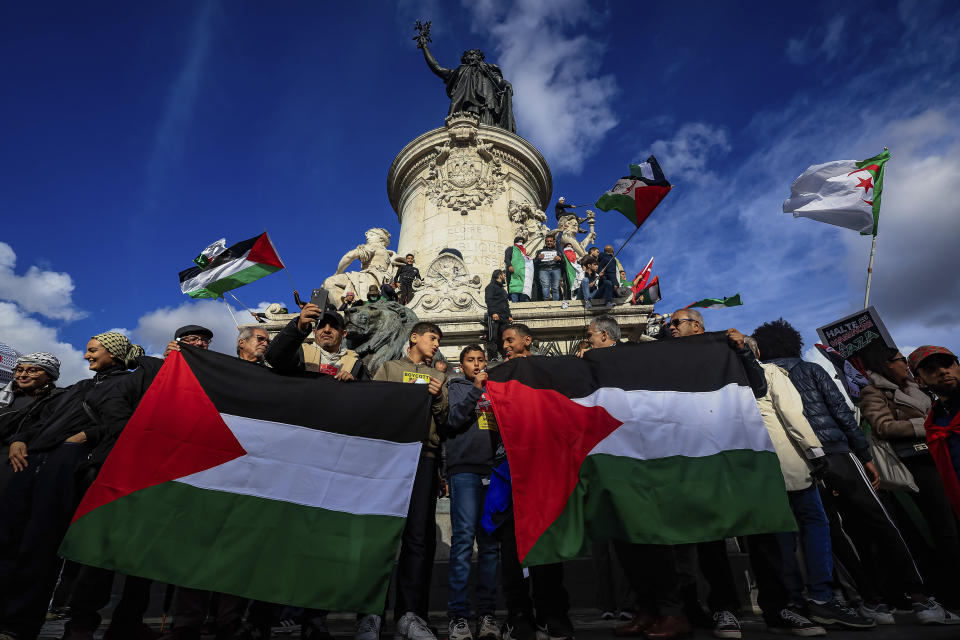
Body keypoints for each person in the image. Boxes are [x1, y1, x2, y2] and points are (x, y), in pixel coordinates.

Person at [753, 319, 958, 625]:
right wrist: (865, 455)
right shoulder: (811, 369)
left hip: (798, 459)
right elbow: (841, 413)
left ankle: (870, 600)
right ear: (792, 342)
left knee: (833, 533)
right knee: (881, 522)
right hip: (838, 452)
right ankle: (921, 599)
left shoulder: (761, 376)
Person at [670, 311, 825, 638]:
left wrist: (741, 350)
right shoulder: (666, 358)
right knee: (711, 538)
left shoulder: (726, 349)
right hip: (700, 457)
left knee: (762, 532)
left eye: (677, 322)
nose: (670, 328)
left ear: (696, 326)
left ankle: (778, 607)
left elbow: (757, 387)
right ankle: (724, 609)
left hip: (740, 451)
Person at [0, 332, 152, 640]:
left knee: (39, 546)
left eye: (93, 350)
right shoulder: (78, 387)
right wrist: (20, 439)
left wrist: (88, 436)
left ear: (114, 352)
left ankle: (18, 626)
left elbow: (129, 422)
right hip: (30, 463)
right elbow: (38, 419)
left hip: (66, 465)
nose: (86, 356)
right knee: (6, 539)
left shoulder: (129, 382)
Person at [742, 338, 873, 629]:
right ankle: (822, 598)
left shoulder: (728, 385)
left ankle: (793, 601)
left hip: (755, 471)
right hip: (791, 466)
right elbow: (792, 416)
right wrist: (816, 453)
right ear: (758, 353)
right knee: (815, 524)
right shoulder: (771, 373)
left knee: (781, 538)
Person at [861, 346, 960, 606]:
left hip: (941, 455)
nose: (903, 364)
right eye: (898, 360)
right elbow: (882, 426)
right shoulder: (874, 392)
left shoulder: (921, 390)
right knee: (943, 525)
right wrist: (927, 426)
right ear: (884, 364)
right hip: (917, 463)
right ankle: (952, 590)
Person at [373, 323, 449, 640]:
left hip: (425, 458)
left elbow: (444, 420)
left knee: (418, 538)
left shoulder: (439, 377)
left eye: (439, 341)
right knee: (380, 536)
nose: (435, 344)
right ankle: (372, 614)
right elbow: (372, 406)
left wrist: (438, 397)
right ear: (414, 338)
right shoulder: (388, 368)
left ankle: (410, 614)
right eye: (432, 338)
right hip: (390, 458)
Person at [443, 346, 501, 640]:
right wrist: (475, 391)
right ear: (461, 364)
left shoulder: (496, 389)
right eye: (471, 360)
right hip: (464, 471)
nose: (477, 364)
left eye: (481, 360)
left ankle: (487, 615)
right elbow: (452, 420)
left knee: (490, 546)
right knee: (464, 542)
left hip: (493, 472)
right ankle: (458, 616)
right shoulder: (455, 387)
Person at [911, 347, 960, 517]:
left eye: (947, 364)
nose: (942, 371)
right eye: (931, 369)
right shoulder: (934, 424)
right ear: (920, 381)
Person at [264, 304, 369, 381]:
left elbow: (367, 395)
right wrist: (299, 326)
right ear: (314, 332)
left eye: (334, 327)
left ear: (344, 333)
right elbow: (274, 358)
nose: (327, 330)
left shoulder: (356, 362)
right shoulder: (300, 353)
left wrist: (354, 383)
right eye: (322, 326)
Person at [485, 270, 512, 358]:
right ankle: (493, 357)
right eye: (503, 275)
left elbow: (505, 303)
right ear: (500, 276)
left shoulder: (502, 289)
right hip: (495, 316)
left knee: (505, 336)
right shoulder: (490, 287)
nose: (504, 277)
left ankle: (505, 355)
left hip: (504, 317)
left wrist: (509, 316)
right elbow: (489, 300)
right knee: (493, 337)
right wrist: (493, 313)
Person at [535, 234, 563, 302]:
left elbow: (564, 262)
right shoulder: (540, 251)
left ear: (554, 242)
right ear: (545, 242)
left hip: (555, 269)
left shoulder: (558, 251)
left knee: (555, 287)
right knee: (545, 286)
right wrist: (538, 258)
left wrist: (560, 259)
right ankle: (546, 300)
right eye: (547, 241)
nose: (549, 242)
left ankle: (556, 301)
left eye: (551, 241)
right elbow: (535, 262)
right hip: (543, 270)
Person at [504, 237, 532, 303]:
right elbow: (507, 258)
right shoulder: (510, 249)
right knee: (514, 290)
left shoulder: (524, 252)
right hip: (513, 275)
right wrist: (510, 265)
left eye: (522, 242)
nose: (521, 243)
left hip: (523, 276)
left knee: (523, 293)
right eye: (519, 241)